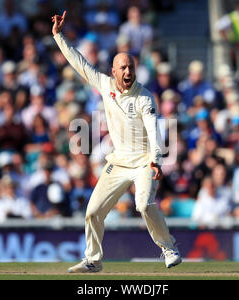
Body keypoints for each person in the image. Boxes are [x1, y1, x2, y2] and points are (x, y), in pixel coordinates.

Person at [51, 11, 181, 273]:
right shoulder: (105, 84)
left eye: (131, 67)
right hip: (119, 161)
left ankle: (168, 247)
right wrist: (58, 36)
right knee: (92, 212)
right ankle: (93, 259)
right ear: (113, 71)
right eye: (123, 67)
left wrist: (156, 159)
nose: (128, 71)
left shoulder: (144, 97)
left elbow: (154, 130)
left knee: (143, 204)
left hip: (144, 161)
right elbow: (80, 64)